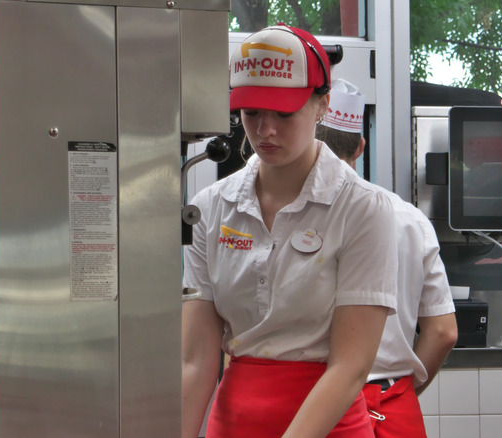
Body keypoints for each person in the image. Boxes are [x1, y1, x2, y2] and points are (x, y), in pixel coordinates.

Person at [181, 25, 399, 438]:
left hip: (328, 424)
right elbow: (195, 361)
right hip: (234, 423)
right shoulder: (210, 208)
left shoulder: (361, 208)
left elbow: (350, 367)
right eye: (251, 113)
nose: (265, 130)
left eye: (283, 113)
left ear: (322, 105)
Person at [317, 78, 458, 438]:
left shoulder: (292, 215)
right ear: (361, 146)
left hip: (314, 404)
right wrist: (401, 391)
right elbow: (443, 332)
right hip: (392, 405)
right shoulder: (409, 218)